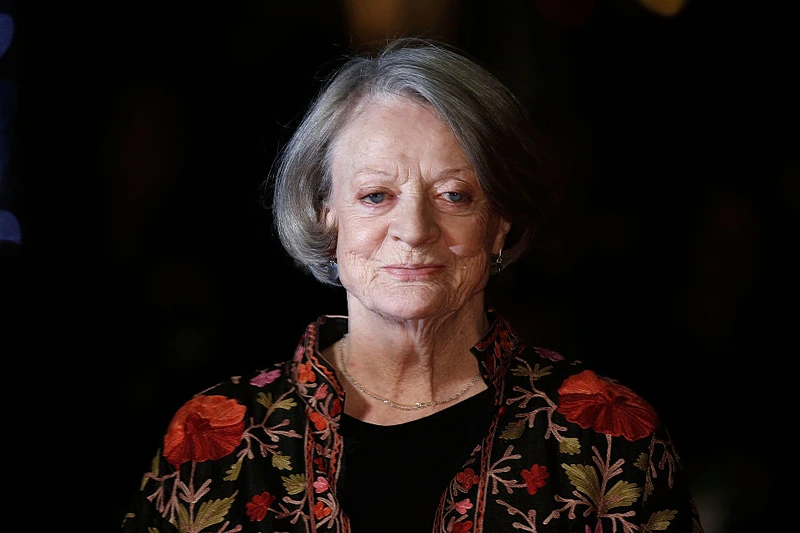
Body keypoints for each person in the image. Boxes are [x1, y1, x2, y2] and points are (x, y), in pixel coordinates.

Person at [120, 37, 704, 533]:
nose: (414, 230)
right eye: (376, 196)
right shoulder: (213, 439)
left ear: (499, 222)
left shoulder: (608, 433)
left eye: (454, 195)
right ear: (327, 213)